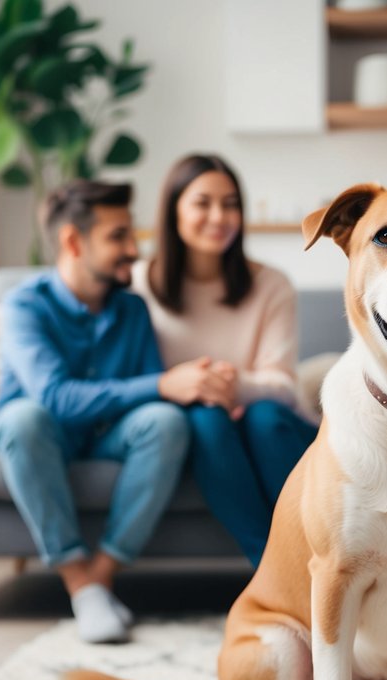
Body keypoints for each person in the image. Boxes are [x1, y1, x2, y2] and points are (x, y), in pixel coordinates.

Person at [0, 180, 212, 644]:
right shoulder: (24, 306)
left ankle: (101, 578)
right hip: (42, 435)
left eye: (132, 235)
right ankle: (79, 585)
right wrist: (162, 383)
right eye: (118, 237)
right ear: (73, 241)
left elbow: (153, 401)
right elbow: (54, 397)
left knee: (166, 422)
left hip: (106, 435)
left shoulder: (131, 309)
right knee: (23, 418)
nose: (133, 249)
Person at [132, 154, 317, 566]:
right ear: (173, 210)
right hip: (199, 428)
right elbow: (134, 378)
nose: (219, 216)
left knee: (263, 416)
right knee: (203, 417)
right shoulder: (137, 284)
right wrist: (189, 387)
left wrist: (231, 386)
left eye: (231, 203)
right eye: (203, 203)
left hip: (271, 426)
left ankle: (311, 558)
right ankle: (269, 569)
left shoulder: (271, 284)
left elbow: (284, 386)